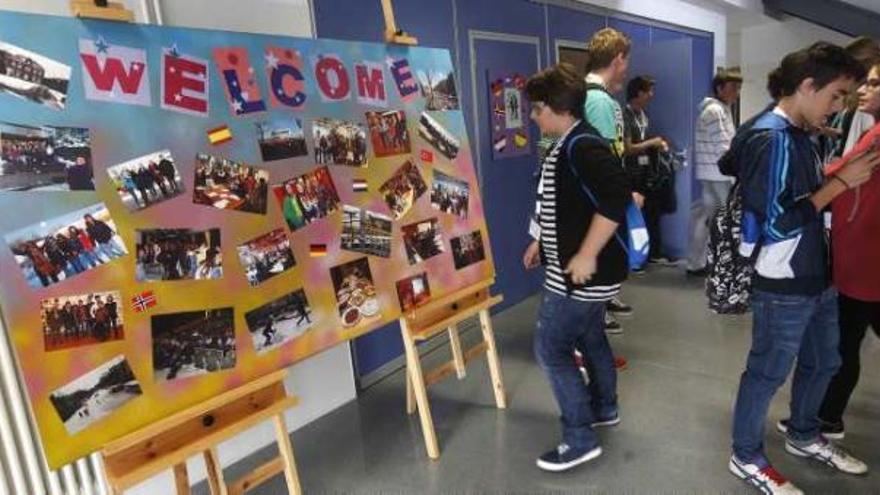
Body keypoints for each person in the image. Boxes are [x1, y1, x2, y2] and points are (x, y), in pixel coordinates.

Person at [728, 42, 878, 493]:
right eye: (835, 95)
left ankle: (804, 434)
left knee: (824, 360)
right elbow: (775, 222)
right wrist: (837, 185)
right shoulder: (772, 138)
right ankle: (746, 455)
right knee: (768, 371)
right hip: (783, 282)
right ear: (807, 87)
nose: (838, 108)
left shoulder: (797, 133)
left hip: (817, 273)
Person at [522, 63, 630, 472]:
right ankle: (604, 408)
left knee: (551, 348)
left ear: (555, 108)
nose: (533, 117)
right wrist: (539, 241)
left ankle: (580, 439)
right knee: (591, 338)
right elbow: (564, 206)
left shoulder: (583, 146)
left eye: (537, 109)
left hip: (581, 275)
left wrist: (585, 254)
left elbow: (616, 198)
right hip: (575, 269)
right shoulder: (568, 142)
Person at [776, 51, 880, 442]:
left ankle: (826, 418)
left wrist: (823, 173)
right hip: (859, 249)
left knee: (843, 341)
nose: (862, 92)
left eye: (873, 83)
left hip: (865, 256)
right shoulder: (872, 129)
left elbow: (844, 172)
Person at [582, 27, 633, 333]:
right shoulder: (600, 103)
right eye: (625, 61)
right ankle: (594, 319)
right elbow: (603, 160)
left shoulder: (591, 97)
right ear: (617, 59)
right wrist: (621, 194)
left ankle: (599, 308)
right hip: (597, 200)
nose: (626, 69)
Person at [687, 68, 742, 277]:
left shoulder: (719, 109)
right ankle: (724, 266)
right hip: (719, 175)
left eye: (739, 88)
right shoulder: (716, 111)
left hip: (711, 174)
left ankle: (697, 263)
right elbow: (724, 147)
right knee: (724, 221)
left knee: (706, 218)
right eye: (733, 88)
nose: (736, 93)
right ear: (720, 88)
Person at [623, 75, 673, 266]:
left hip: (647, 174)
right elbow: (627, 148)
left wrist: (657, 146)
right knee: (633, 217)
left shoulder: (643, 115)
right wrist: (651, 142)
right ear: (638, 93)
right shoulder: (625, 116)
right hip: (631, 174)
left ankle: (651, 253)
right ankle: (633, 258)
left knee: (652, 214)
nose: (651, 95)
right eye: (648, 91)